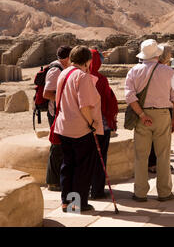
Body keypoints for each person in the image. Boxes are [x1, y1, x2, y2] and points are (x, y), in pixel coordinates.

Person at [125, 39, 174, 202]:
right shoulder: (168, 71)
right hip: (163, 115)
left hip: (142, 115)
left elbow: (129, 96)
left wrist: (142, 115)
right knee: (163, 155)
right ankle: (164, 192)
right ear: (158, 54)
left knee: (141, 155)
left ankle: (140, 192)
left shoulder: (134, 71)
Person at [54, 46, 103, 212]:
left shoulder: (64, 72)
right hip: (80, 128)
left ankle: (66, 202)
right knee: (83, 167)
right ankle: (78, 203)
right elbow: (85, 106)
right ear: (88, 61)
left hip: (64, 126)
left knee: (68, 164)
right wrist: (92, 123)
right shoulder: (82, 76)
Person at [89, 49, 119, 199]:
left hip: (83, 125)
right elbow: (107, 102)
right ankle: (97, 190)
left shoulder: (78, 76)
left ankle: (84, 189)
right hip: (100, 124)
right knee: (101, 158)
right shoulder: (100, 79)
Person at [43, 45, 72, 192]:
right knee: (57, 147)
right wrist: (65, 97)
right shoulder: (55, 70)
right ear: (68, 58)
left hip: (61, 112)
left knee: (62, 147)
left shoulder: (64, 68)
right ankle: (52, 181)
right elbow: (47, 94)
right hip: (55, 113)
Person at [148, 43, 173, 174]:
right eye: (169, 53)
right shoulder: (164, 70)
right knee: (158, 140)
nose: (171, 55)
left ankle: (158, 163)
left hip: (151, 108)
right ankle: (155, 164)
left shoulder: (165, 68)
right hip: (161, 108)